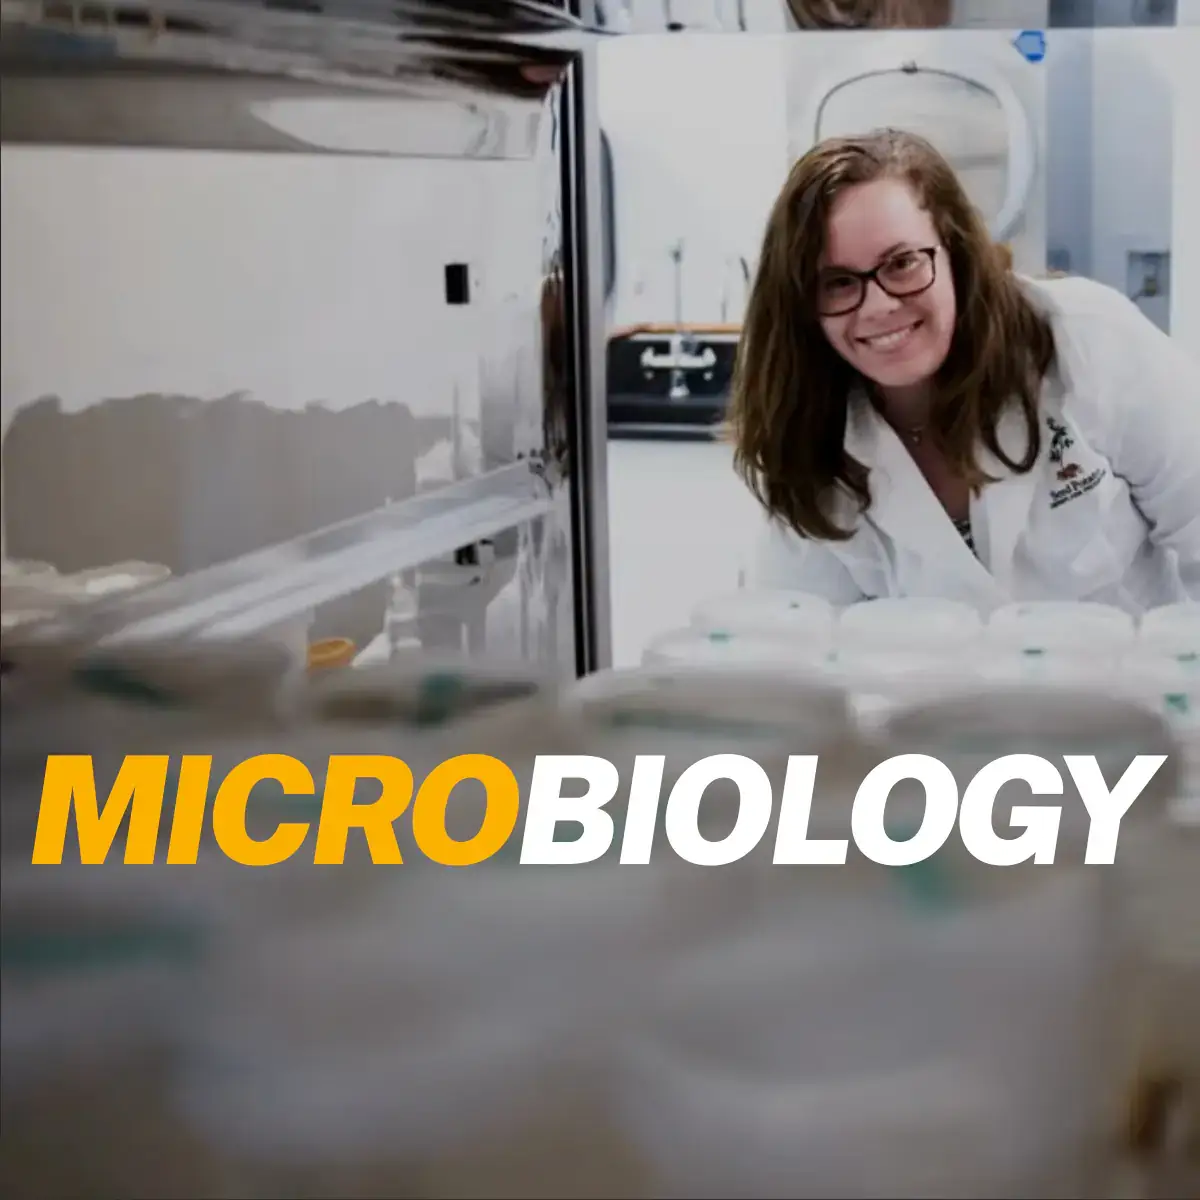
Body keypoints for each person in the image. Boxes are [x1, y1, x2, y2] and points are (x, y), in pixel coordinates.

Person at [728, 128, 1200, 613]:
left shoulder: (1088, 340)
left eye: (902, 263)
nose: (878, 305)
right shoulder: (808, 441)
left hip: (1129, 682)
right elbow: (798, 642)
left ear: (955, 251)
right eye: (838, 282)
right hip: (926, 689)